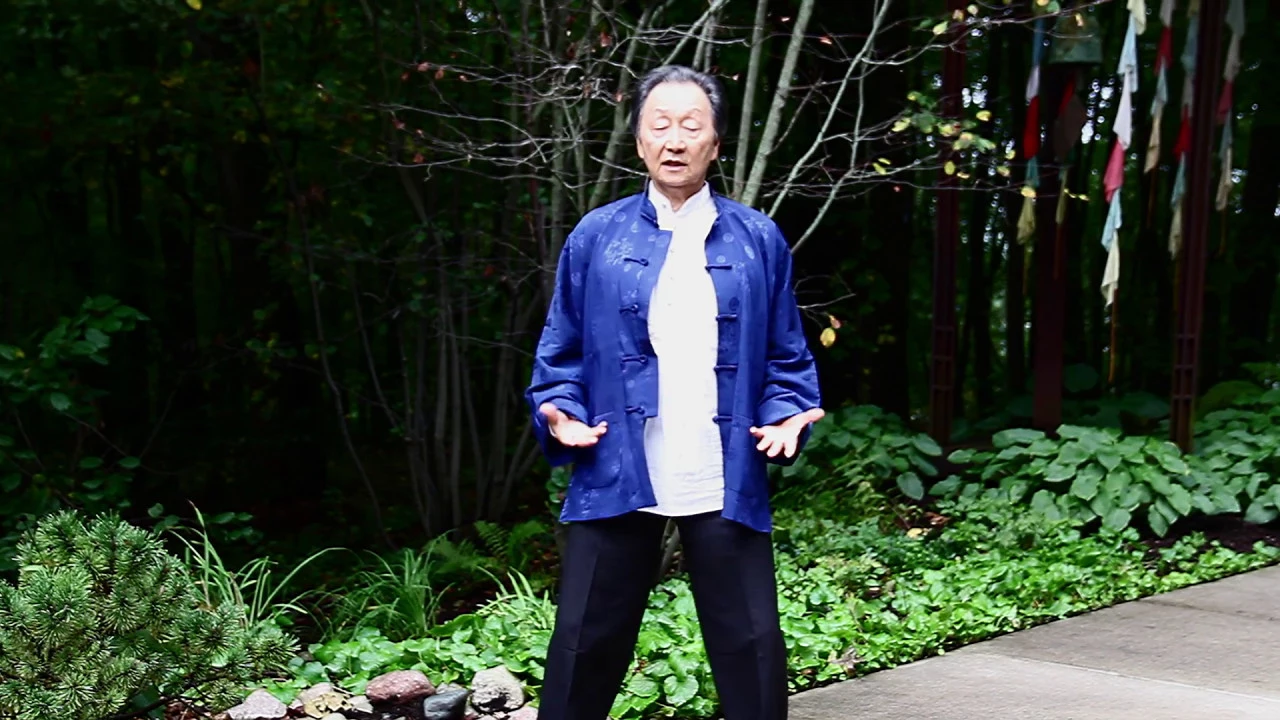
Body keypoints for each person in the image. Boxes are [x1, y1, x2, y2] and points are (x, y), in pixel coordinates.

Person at [525, 64, 823, 720]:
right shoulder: (597, 237)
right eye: (659, 125)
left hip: (722, 474)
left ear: (716, 144)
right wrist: (560, 412)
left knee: (752, 649)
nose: (675, 139)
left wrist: (786, 414)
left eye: (692, 125)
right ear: (638, 142)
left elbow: (787, 359)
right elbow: (560, 354)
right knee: (582, 646)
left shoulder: (758, 239)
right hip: (616, 466)